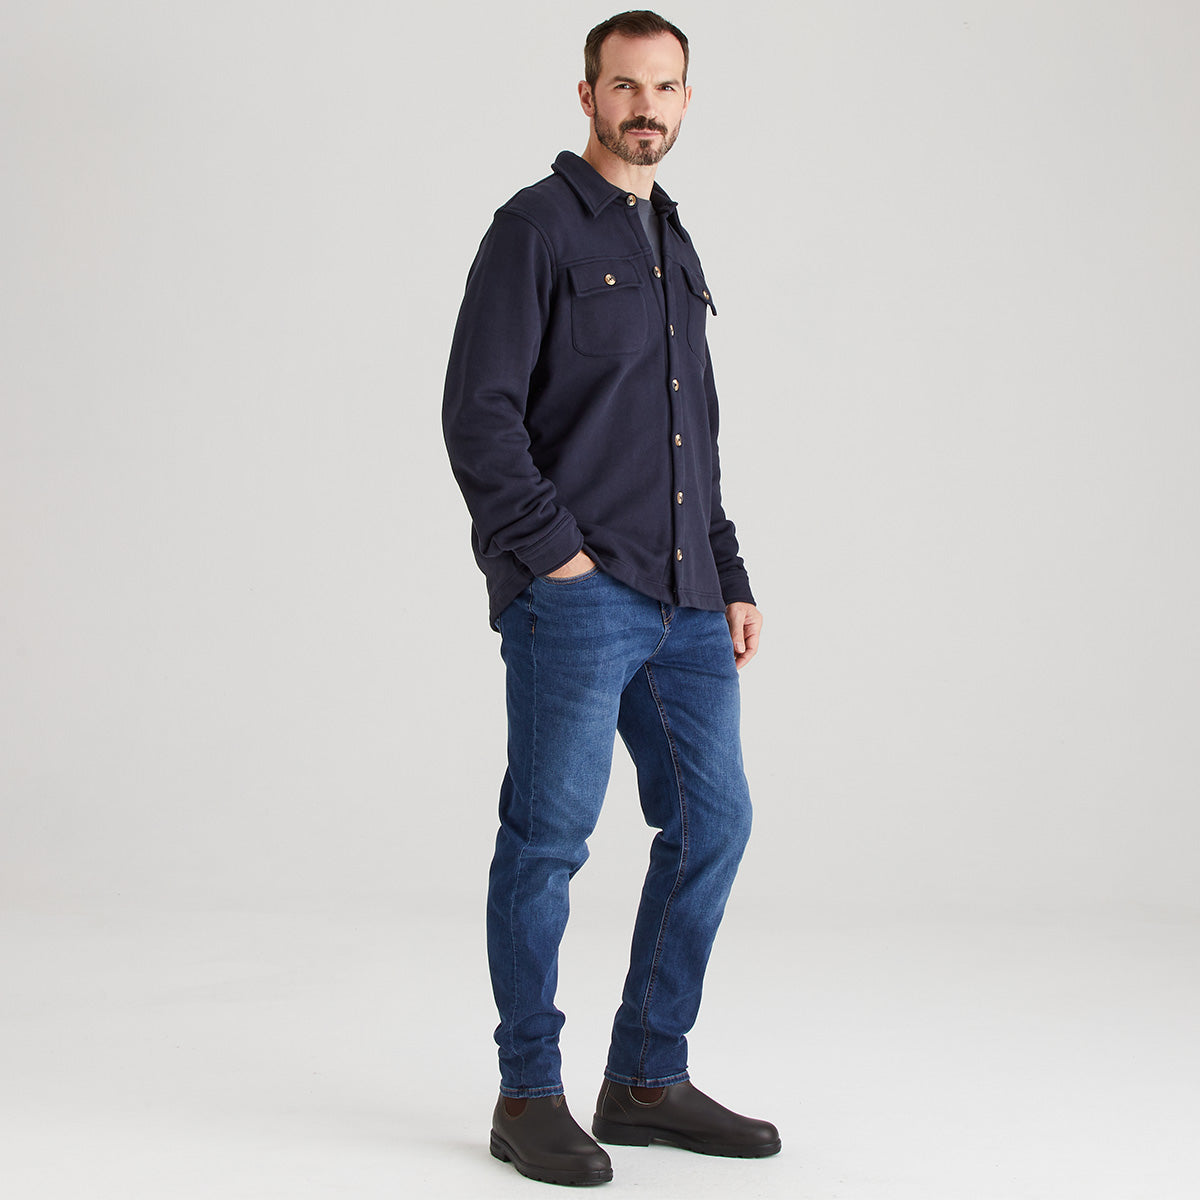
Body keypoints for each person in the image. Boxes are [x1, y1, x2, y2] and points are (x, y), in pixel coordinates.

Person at [442, 10, 780, 1186]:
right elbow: (477, 414)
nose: (647, 106)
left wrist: (727, 576)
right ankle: (526, 1092)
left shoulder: (669, 239)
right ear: (585, 94)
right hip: (579, 599)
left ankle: (645, 1075)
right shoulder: (531, 231)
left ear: (687, 99)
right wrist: (557, 559)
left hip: (687, 601)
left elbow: (696, 435)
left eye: (667, 86)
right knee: (547, 843)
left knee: (713, 823)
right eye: (626, 86)